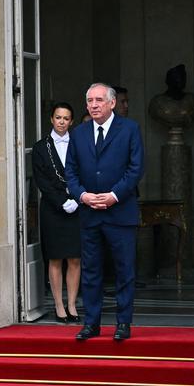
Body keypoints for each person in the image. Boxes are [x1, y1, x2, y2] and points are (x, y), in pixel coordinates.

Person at [65, 83, 145, 341]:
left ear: (112, 103)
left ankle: (123, 323)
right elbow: (71, 171)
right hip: (90, 213)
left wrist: (113, 196)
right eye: (89, 100)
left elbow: (136, 169)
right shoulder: (78, 133)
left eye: (99, 99)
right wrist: (83, 195)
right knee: (91, 271)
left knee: (124, 271)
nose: (94, 104)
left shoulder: (130, 129)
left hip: (120, 212)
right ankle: (92, 323)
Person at [32, 102, 81, 323]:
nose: (62, 122)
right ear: (51, 119)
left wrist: (79, 198)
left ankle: (72, 304)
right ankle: (59, 306)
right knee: (55, 258)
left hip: (78, 207)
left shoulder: (80, 143)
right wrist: (62, 201)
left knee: (75, 258)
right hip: (53, 209)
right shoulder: (41, 147)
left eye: (66, 118)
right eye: (58, 117)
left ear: (71, 121)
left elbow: (88, 173)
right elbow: (42, 181)